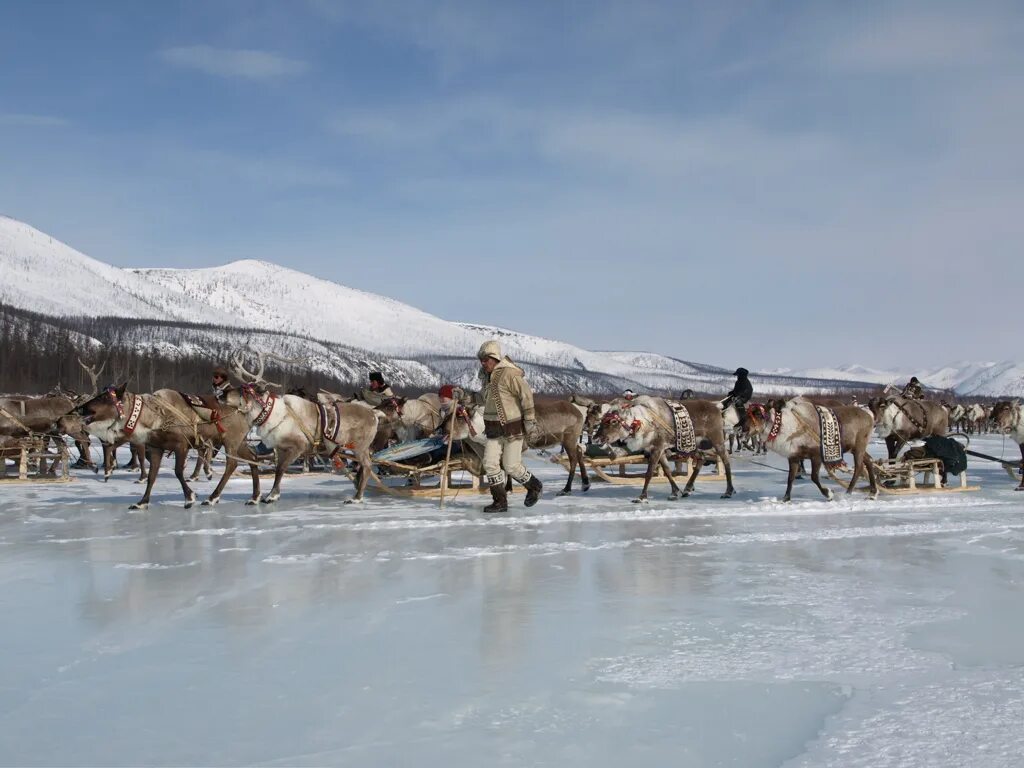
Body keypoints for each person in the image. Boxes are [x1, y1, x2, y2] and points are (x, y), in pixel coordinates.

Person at [476, 340, 542, 512]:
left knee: (511, 465)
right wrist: (464, 396)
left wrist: (529, 421)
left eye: (486, 360)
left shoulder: (510, 374)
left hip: (512, 428)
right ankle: (500, 502)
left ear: (495, 358)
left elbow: (526, 396)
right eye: (481, 360)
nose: (483, 363)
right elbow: (481, 398)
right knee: (490, 463)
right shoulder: (488, 379)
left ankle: (534, 486)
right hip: (492, 428)